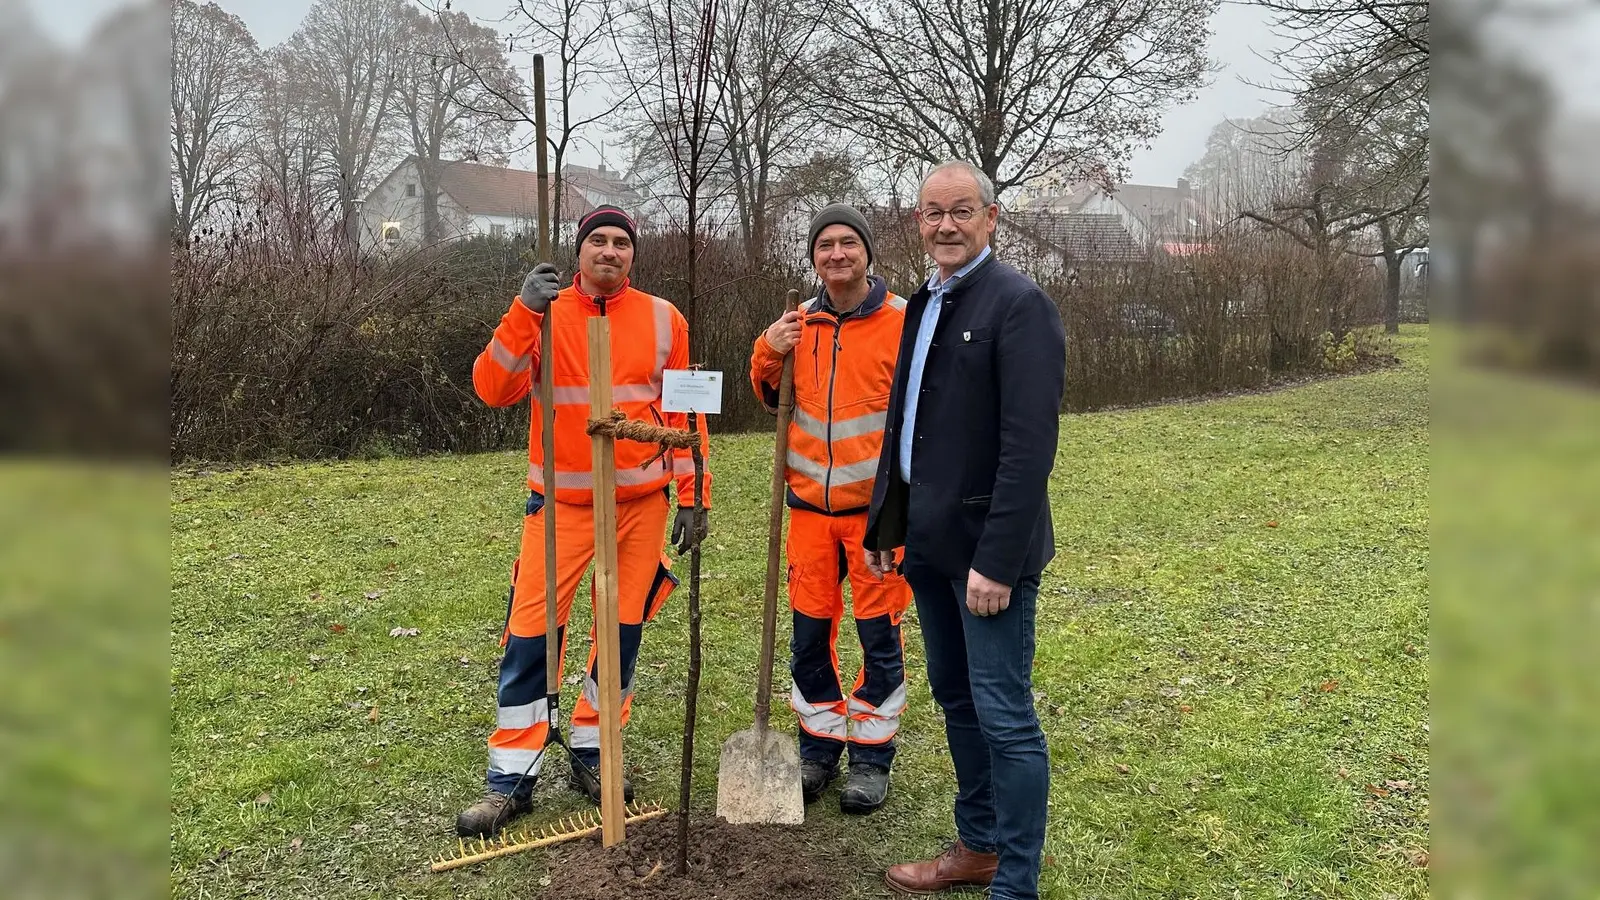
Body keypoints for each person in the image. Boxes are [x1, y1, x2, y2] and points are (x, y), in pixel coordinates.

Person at [456, 205, 712, 838]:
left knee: (621, 634)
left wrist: (693, 492)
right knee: (532, 635)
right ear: (578, 252)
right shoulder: (543, 314)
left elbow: (685, 412)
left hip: (640, 505)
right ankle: (511, 777)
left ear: (633, 254)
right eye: (597, 240)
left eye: (621, 242)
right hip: (560, 508)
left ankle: (597, 753)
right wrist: (522, 313)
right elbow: (493, 388)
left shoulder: (664, 318)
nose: (609, 251)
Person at [863, 163, 1066, 899]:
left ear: (991, 217)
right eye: (930, 213)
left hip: (987, 559)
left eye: (960, 211)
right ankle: (978, 845)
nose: (944, 225)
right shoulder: (924, 301)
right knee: (955, 697)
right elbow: (906, 424)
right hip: (929, 544)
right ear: (916, 222)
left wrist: (1000, 561)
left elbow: (1029, 446)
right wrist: (890, 521)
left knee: (1003, 713)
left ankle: (1015, 882)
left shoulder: (1019, 304)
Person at [749, 204, 912, 815]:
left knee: (879, 638)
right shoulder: (800, 323)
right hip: (809, 514)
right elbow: (768, 394)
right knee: (809, 637)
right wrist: (770, 347)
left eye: (848, 243)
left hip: (877, 516)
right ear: (813, 257)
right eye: (825, 246)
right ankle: (817, 749)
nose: (837, 254)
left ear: (867, 252)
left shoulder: (903, 320)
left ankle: (871, 760)